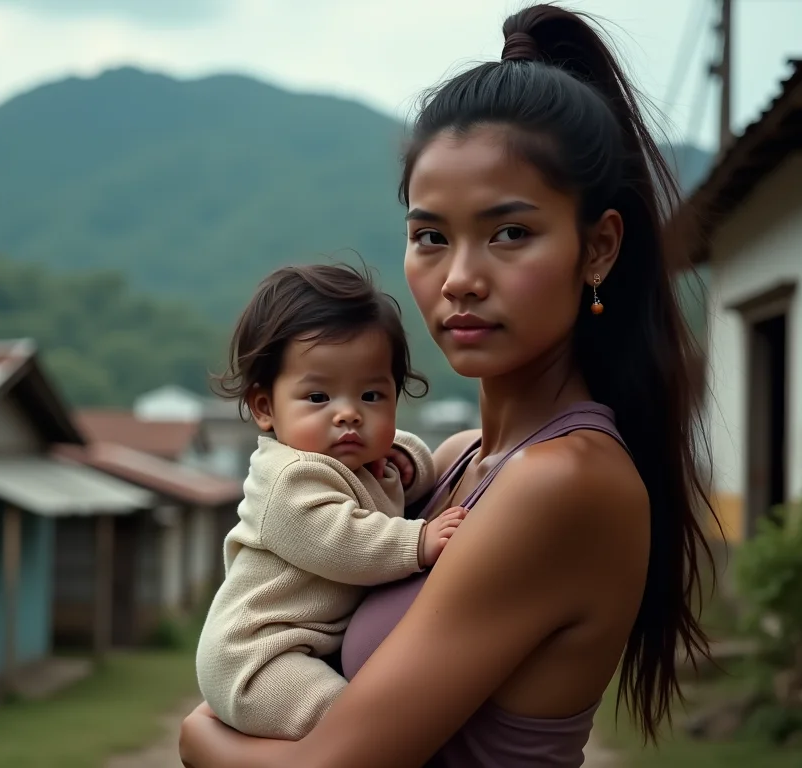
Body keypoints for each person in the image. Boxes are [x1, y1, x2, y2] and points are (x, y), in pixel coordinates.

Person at [179, 4, 715, 767]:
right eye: (431, 236)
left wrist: (197, 734)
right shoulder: (460, 458)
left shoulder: (562, 482)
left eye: (509, 233)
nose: (459, 279)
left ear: (597, 248)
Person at [196, 263, 468, 741]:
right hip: (257, 658)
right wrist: (417, 540)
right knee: (353, 725)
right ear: (265, 408)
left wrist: (405, 456)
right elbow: (341, 542)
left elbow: (412, 469)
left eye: (371, 394)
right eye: (319, 396)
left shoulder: (366, 460)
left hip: (306, 648)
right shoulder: (289, 477)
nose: (348, 414)